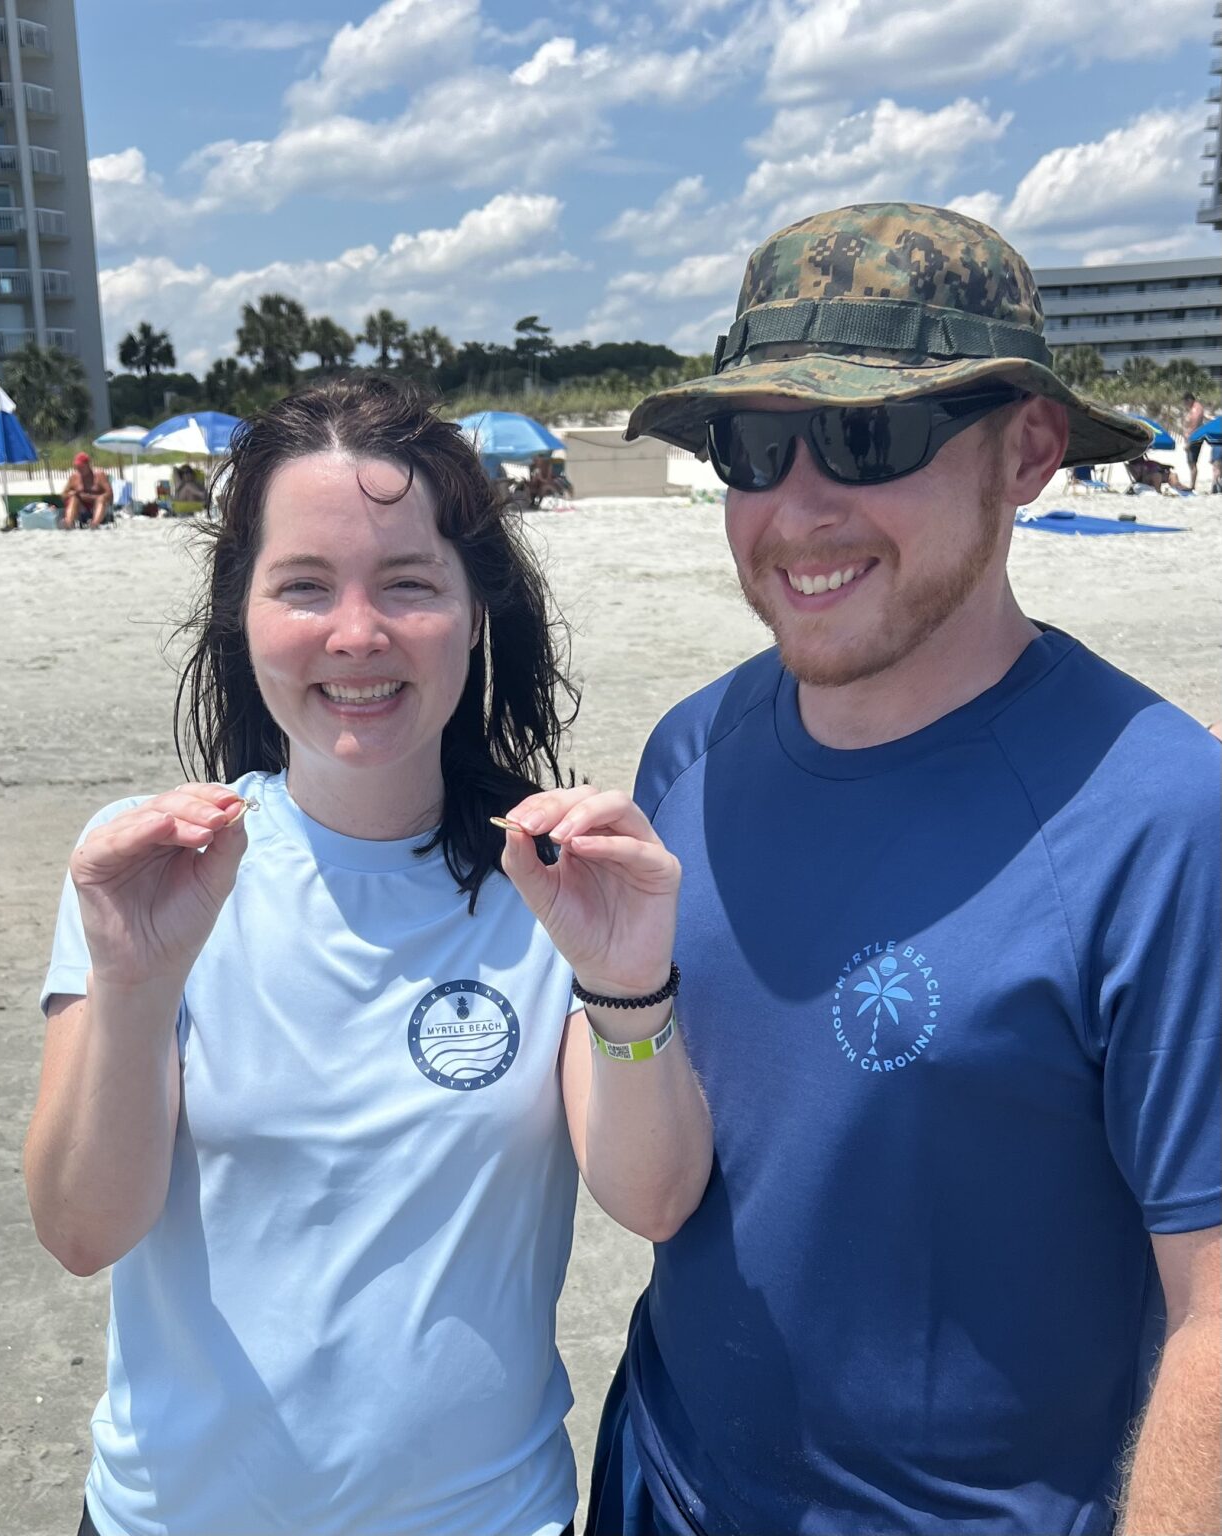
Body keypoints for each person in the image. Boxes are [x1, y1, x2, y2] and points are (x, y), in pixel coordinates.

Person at [586, 202, 1221, 1536]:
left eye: (868, 439)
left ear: (1027, 450)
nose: (797, 510)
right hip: (665, 1480)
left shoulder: (1160, 820)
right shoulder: (688, 750)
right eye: (754, 447)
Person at [25, 377, 712, 1536]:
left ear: (475, 607)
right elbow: (84, 1233)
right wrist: (136, 987)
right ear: (239, 612)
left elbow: (651, 1200)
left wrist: (626, 976)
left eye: (408, 583)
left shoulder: (547, 878)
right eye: (303, 586)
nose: (357, 634)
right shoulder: (150, 868)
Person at [62, 451, 113, 529]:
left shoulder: (99, 475)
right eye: (77, 467)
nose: (79, 469)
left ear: (88, 465)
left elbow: (109, 494)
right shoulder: (74, 477)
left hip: (98, 505)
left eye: (81, 467)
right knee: (73, 498)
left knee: (101, 499)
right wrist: (72, 493)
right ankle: (68, 522)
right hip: (82, 507)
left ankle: (94, 524)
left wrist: (92, 497)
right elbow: (64, 494)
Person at [1181, 391, 1205, 490]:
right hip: (1193, 438)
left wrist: (1189, 442)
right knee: (1191, 462)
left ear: (1189, 400)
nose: (1185, 404)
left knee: (1192, 462)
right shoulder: (1194, 408)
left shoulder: (1196, 409)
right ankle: (1192, 485)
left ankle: (1192, 486)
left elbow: (1194, 426)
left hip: (1194, 439)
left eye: (1185, 402)